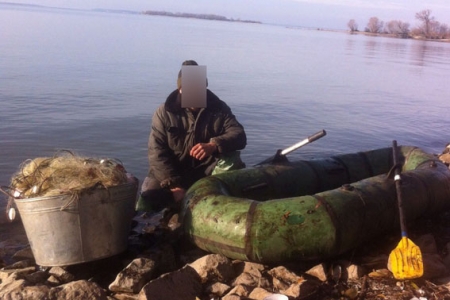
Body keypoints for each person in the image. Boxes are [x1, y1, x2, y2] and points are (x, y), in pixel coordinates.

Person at [136, 60, 247, 212]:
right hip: (170, 173)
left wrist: (213, 145)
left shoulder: (219, 108)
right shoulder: (163, 113)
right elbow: (156, 153)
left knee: (232, 157)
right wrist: (173, 185)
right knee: (147, 200)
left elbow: (239, 135)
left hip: (205, 171)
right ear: (180, 89)